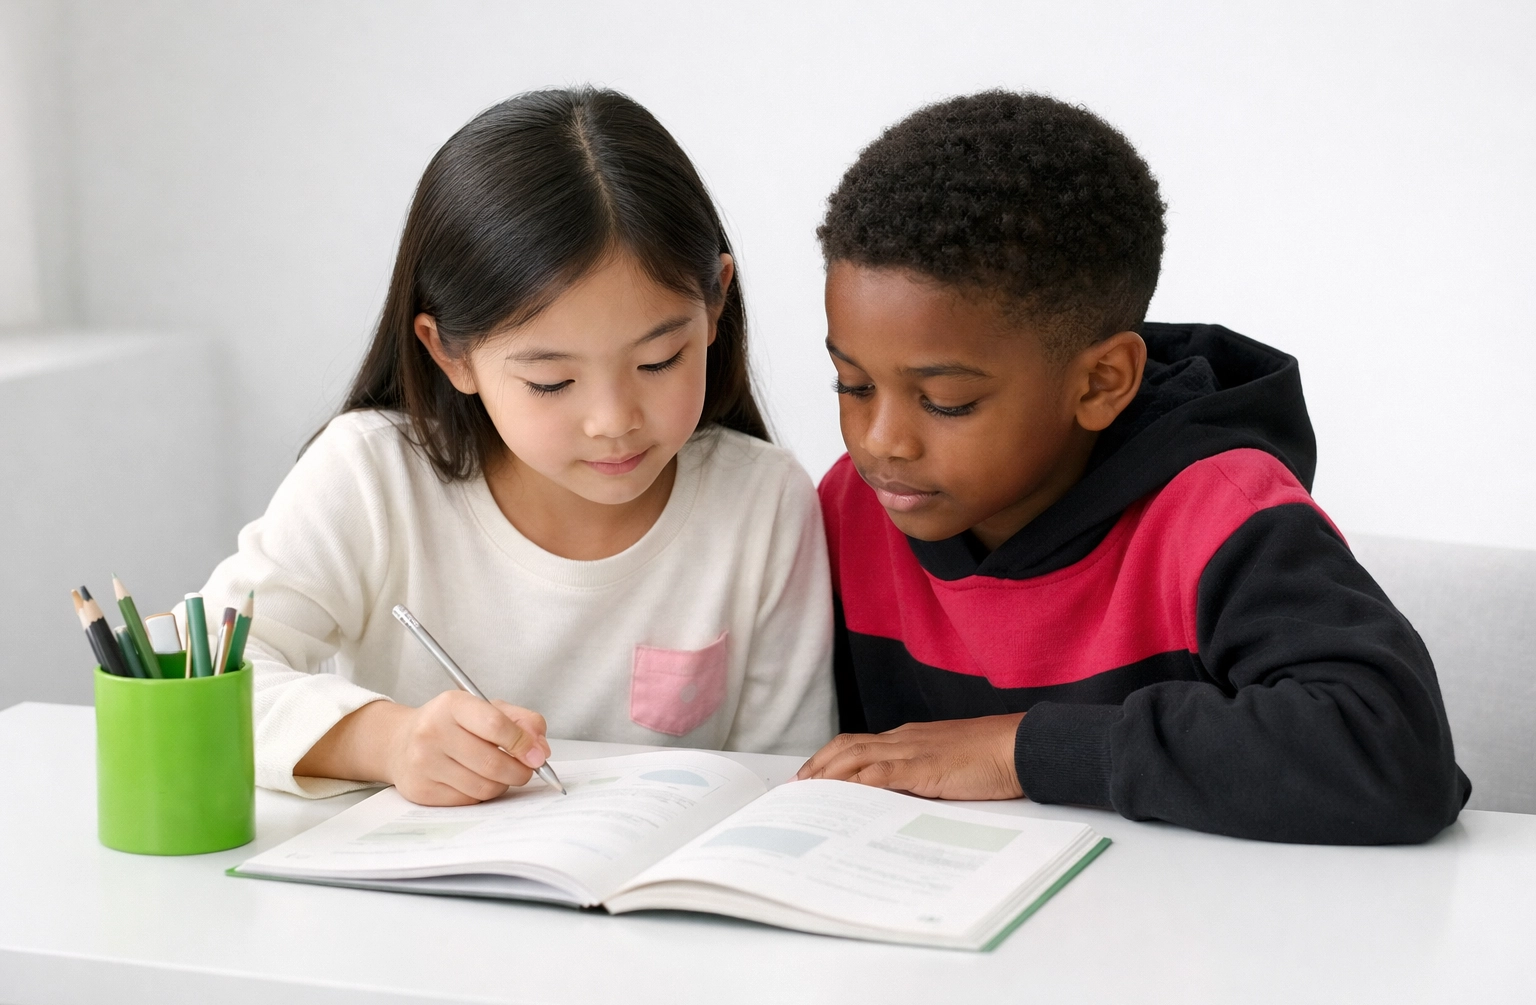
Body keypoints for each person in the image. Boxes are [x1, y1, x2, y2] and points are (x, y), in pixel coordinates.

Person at [796, 90, 1469, 844]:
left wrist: (1019, 750)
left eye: (946, 400)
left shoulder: (1219, 515)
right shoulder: (852, 507)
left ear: (1100, 383)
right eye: (851, 385)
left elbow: (1392, 750)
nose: (882, 440)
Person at [201, 87, 834, 805]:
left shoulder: (764, 502)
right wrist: (389, 742)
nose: (613, 419)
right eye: (551, 381)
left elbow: (792, 781)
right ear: (452, 356)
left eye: (658, 363)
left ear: (716, 303)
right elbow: (203, 677)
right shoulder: (373, 476)